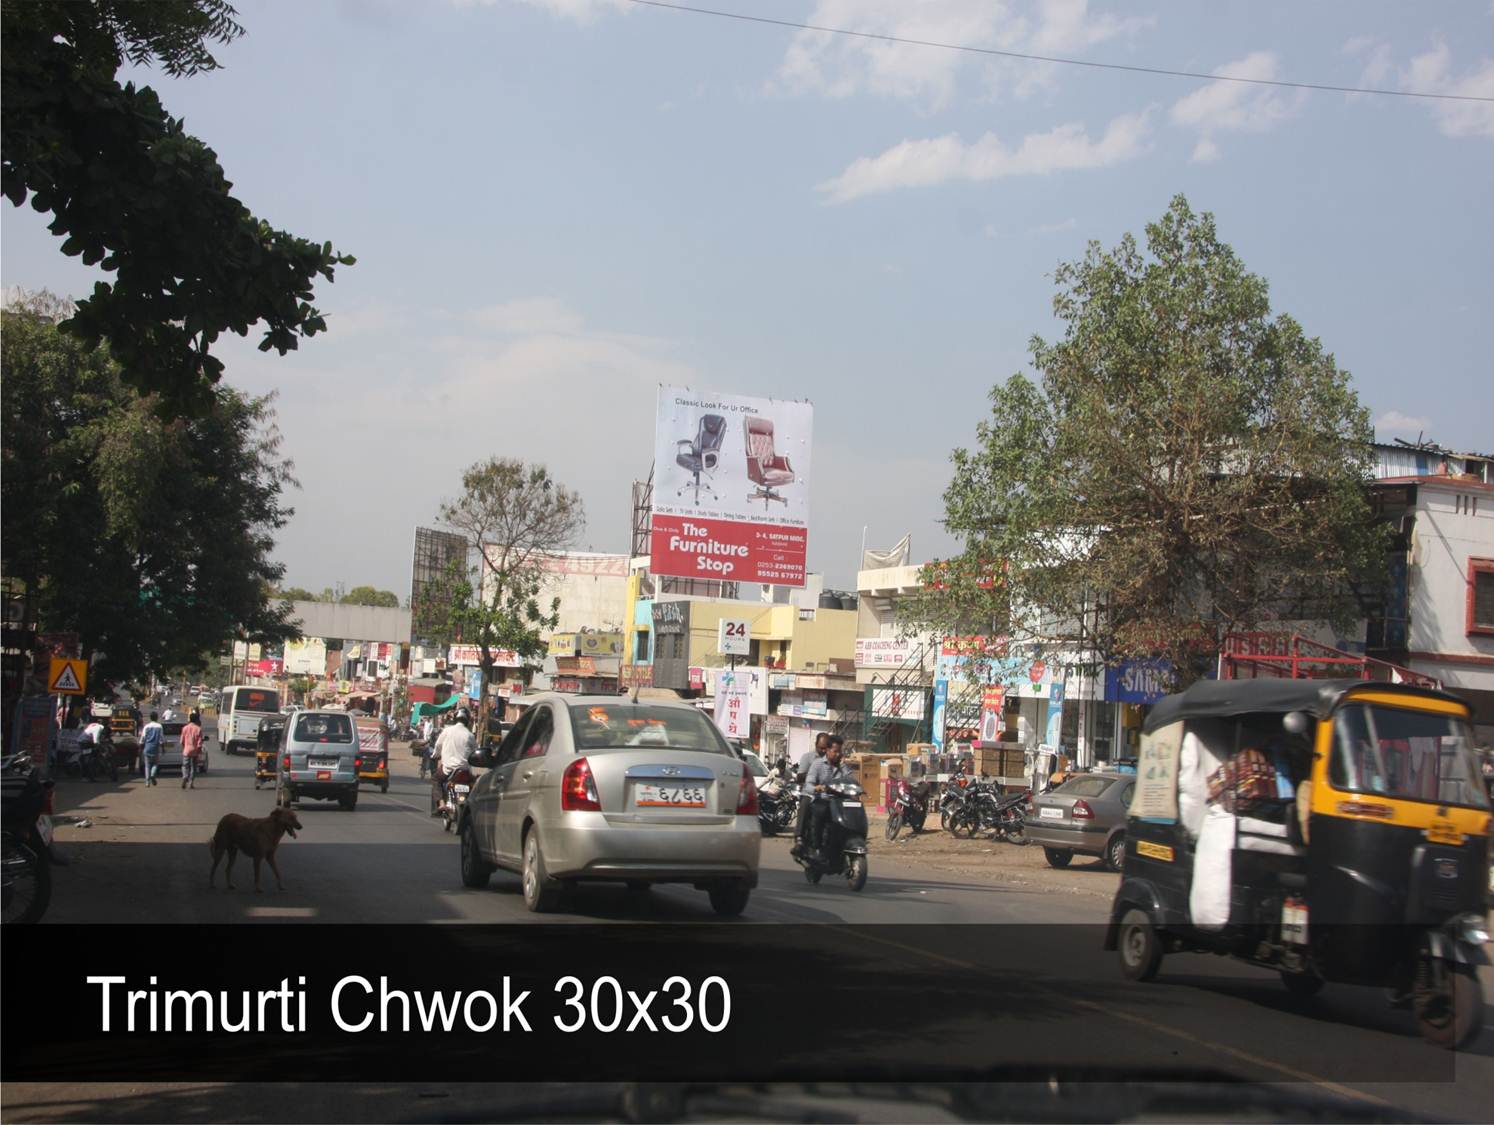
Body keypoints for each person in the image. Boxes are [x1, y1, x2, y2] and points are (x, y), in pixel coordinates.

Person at [804, 738, 852, 856]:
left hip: (840, 802)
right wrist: (817, 788)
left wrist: (844, 766)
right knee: (821, 811)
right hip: (823, 799)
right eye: (835, 751)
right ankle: (817, 847)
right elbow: (808, 785)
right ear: (828, 750)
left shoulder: (843, 767)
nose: (838, 754)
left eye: (840, 751)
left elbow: (852, 782)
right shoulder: (818, 764)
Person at [432, 709, 477, 815]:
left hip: (448, 769)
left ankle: (442, 804)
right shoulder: (470, 735)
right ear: (467, 721)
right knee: (474, 784)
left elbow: (438, 746)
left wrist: (434, 755)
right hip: (465, 769)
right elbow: (475, 751)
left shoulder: (447, 731)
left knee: (436, 779)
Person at [792, 733, 831, 854]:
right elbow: (799, 776)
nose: (823, 750)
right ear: (816, 745)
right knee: (805, 804)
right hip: (810, 792)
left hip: (827, 794)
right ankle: (799, 837)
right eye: (821, 748)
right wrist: (813, 773)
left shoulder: (833, 759)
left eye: (826, 748)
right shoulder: (807, 757)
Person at [179, 710, 205, 790]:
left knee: (185, 766)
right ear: (197, 720)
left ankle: (185, 776)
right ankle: (191, 783)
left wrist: (184, 748)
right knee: (194, 767)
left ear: (189, 719)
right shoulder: (198, 729)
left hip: (186, 750)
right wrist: (199, 751)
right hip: (195, 751)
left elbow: (182, 741)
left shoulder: (185, 728)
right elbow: (199, 742)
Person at [140, 711, 164, 786]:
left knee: (147, 766)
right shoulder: (159, 726)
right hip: (155, 748)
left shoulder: (146, 727)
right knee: (155, 764)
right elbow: (161, 739)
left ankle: (147, 782)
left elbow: (142, 739)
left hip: (147, 748)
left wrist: (141, 749)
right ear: (156, 718)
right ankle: (153, 774)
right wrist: (163, 748)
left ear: (150, 718)